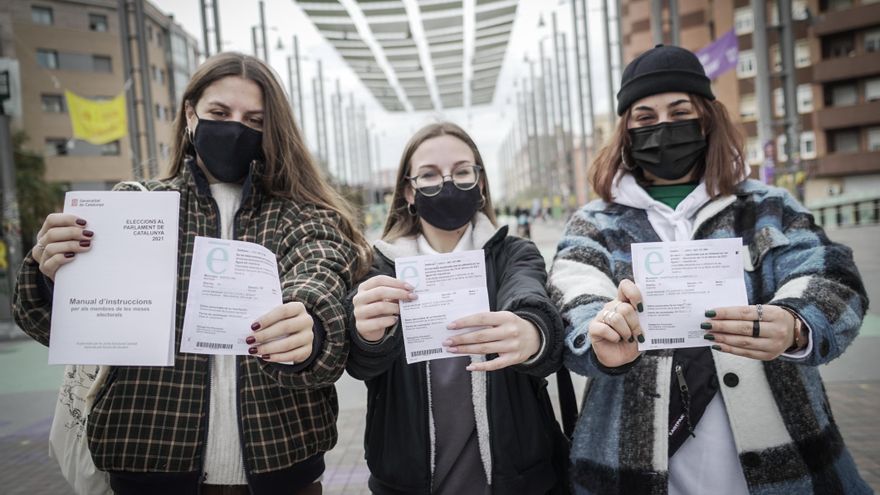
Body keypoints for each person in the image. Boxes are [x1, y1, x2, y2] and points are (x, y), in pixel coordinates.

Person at [13, 52, 371, 495]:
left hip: (282, 465)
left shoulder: (300, 215)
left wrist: (308, 325)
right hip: (148, 462)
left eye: (254, 120)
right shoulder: (136, 207)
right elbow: (50, 324)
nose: (235, 128)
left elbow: (319, 268)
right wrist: (53, 277)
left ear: (271, 131)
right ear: (189, 114)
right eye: (220, 113)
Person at [549, 45, 871, 494]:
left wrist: (796, 322)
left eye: (679, 111)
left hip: (788, 460)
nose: (662, 127)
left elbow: (832, 276)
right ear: (625, 132)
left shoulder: (766, 205)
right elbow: (572, 292)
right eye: (644, 117)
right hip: (628, 466)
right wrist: (601, 332)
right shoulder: (595, 221)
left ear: (706, 119)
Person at [346, 122, 569, 494]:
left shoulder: (514, 253)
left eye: (462, 172)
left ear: (480, 183)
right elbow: (361, 364)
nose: (447, 184)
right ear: (409, 191)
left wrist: (531, 332)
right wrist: (365, 335)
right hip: (407, 483)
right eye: (429, 175)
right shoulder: (377, 269)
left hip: (517, 481)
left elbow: (529, 299)